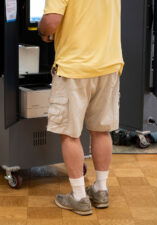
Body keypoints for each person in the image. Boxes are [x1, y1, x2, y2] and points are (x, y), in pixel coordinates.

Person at [38, 0, 124, 216]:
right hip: (109, 65)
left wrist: (43, 31)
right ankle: (101, 189)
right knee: (101, 130)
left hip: (74, 68)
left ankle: (78, 196)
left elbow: (51, 22)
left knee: (69, 134)